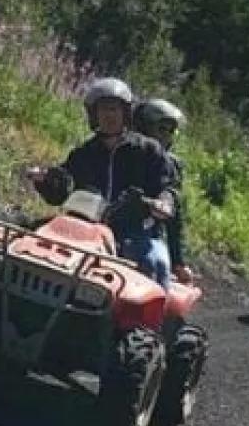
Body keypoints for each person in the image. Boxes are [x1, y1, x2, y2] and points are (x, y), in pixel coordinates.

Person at [26, 77, 179, 288]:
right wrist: (45, 179)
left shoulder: (149, 150)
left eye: (114, 109)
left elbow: (167, 186)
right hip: (84, 229)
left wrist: (163, 202)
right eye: (103, 109)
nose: (109, 115)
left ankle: (150, 321)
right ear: (93, 115)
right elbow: (61, 191)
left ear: (125, 113)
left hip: (132, 231)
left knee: (156, 261)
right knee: (30, 235)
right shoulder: (83, 153)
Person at [133, 96, 194, 285]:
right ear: (144, 126)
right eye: (161, 129)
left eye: (170, 131)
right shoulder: (122, 148)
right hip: (104, 220)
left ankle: (153, 313)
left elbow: (173, 211)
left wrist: (178, 260)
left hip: (146, 228)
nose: (166, 136)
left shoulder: (171, 164)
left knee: (156, 263)